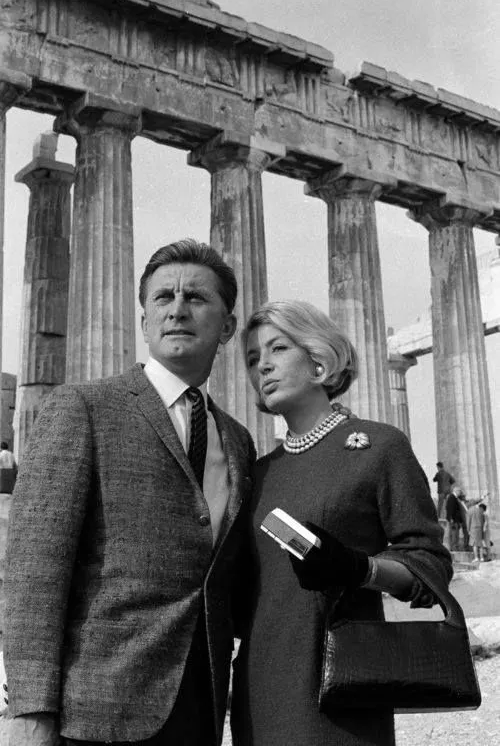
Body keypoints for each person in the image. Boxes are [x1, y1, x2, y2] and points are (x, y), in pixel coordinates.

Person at [4, 240, 256, 746]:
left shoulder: (237, 438)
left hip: (201, 706)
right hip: (95, 712)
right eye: (163, 298)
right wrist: (29, 712)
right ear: (144, 323)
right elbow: (35, 569)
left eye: (196, 298)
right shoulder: (83, 408)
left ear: (227, 326)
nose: (178, 308)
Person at [231, 300, 452, 746]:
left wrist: (359, 569)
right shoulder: (257, 472)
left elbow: (430, 565)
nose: (263, 367)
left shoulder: (379, 447)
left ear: (318, 360)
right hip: (260, 689)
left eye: (278, 349)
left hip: (343, 685)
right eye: (253, 359)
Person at [445, 485, 463, 551]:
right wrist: (451, 519)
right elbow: (450, 509)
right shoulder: (452, 497)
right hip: (454, 520)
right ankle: (454, 548)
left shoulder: (453, 498)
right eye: (460, 491)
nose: (460, 493)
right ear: (456, 491)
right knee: (454, 534)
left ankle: (454, 547)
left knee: (455, 534)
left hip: (455, 520)